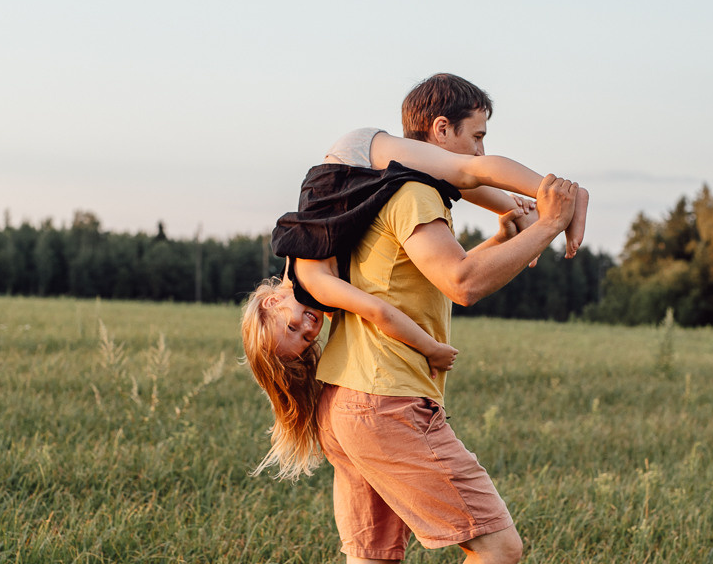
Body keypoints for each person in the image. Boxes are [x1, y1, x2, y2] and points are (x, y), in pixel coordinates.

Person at [313, 73, 581, 564]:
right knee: (496, 548)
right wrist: (547, 224)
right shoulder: (411, 192)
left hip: (343, 402)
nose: (479, 148)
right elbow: (461, 284)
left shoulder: (379, 191)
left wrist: (505, 239)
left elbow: (436, 273)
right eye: (478, 136)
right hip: (388, 405)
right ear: (441, 131)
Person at [242, 119, 585, 480]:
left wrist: (430, 348)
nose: (309, 326)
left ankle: (567, 196)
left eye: (292, 326)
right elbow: (439, 275)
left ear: (270, 303)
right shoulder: (303, 276)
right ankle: (521, 213)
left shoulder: (314, 281)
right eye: (308, 339)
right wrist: (503, 239)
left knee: (465, 170)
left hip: (356, 155)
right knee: (453, 178)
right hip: (359, 172)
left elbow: (380, 311)